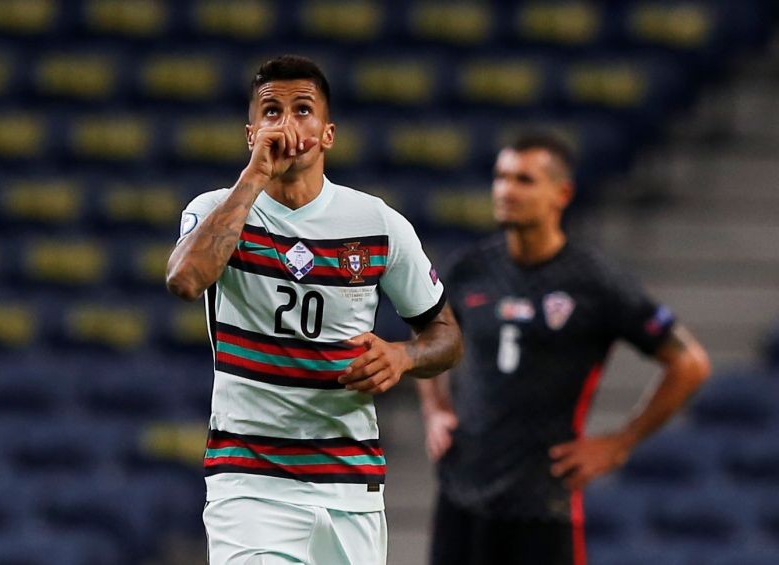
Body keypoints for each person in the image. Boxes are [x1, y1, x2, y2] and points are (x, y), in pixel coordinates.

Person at [165, 55, 463, 565]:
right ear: (251, 131)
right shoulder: (216, 209)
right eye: (271, 112)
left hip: (351, 485)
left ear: (327, 134)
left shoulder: (377, 223)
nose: (286, 124)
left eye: (302, 110)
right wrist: (255, 176)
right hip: (251, 482)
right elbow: (186, 279)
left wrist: (404, 357)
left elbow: (446, 335)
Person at [416, 133, 711, 565]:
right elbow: (427, 331)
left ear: (562, 193)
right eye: (500, 177)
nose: (506, 190)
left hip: (541, 502)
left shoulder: (594, 281)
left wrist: (620, 443)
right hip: (461, 492)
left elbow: (690, 363)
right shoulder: (471, 268)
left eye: (524, 179)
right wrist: (434, 408)